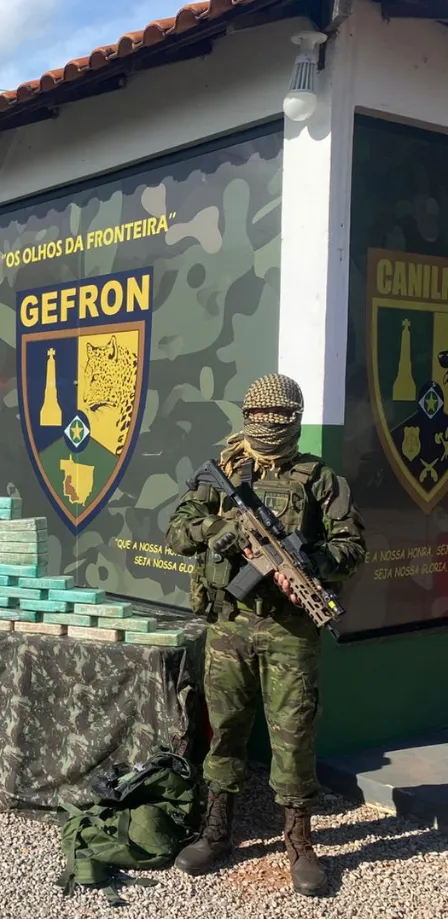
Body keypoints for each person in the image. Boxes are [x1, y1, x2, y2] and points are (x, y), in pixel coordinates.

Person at [165, 373, 365, 897]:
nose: (270, 427)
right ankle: (217, 831)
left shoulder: (321, 479)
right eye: (261, 416)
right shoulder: (224, 474)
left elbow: (352, 547)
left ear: (296, 419)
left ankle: (298, 840)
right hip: (229, 624)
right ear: (246, 415)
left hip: (291, 631)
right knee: (225, 728)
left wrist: (306, 562)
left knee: (294, 734)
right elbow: (178, 532)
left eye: (281, 417)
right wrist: (224, 532)